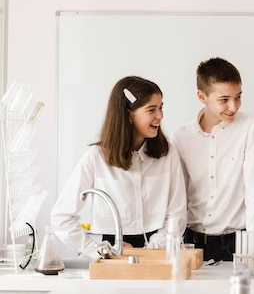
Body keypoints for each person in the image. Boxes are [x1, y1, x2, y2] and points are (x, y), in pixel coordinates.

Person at [51, 76, 187, 257]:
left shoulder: (167, 153)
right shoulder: (96, 157)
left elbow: (177, 213)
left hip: (160, 249)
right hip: (112, 254)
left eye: (161, 107)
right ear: (128, 114)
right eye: (151, 109)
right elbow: (62, 218)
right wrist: (99, 250)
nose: (160, 116)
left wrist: (148, 252)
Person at [172, 57, 254, 262]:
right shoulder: (181, 136)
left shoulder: (250, 126)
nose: (233, 107)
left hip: (238, 245)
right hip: (192, 243)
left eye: (238, 97)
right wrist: (171, 243)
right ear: (202, 96)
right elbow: (177, 197)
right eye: (224, 99)